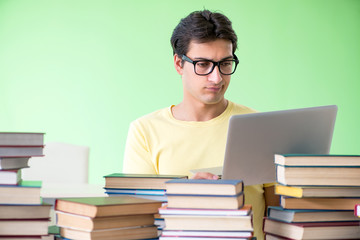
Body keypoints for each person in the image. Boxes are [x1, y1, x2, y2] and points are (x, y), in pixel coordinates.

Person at [123, 10, 268, 240]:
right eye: (203, 64)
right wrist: (186, 194)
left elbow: (281, 214)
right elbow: (137, 220)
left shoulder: (259, 127)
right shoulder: (145, 131)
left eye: (225, 63)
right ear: (179, 63)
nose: (217, 78)